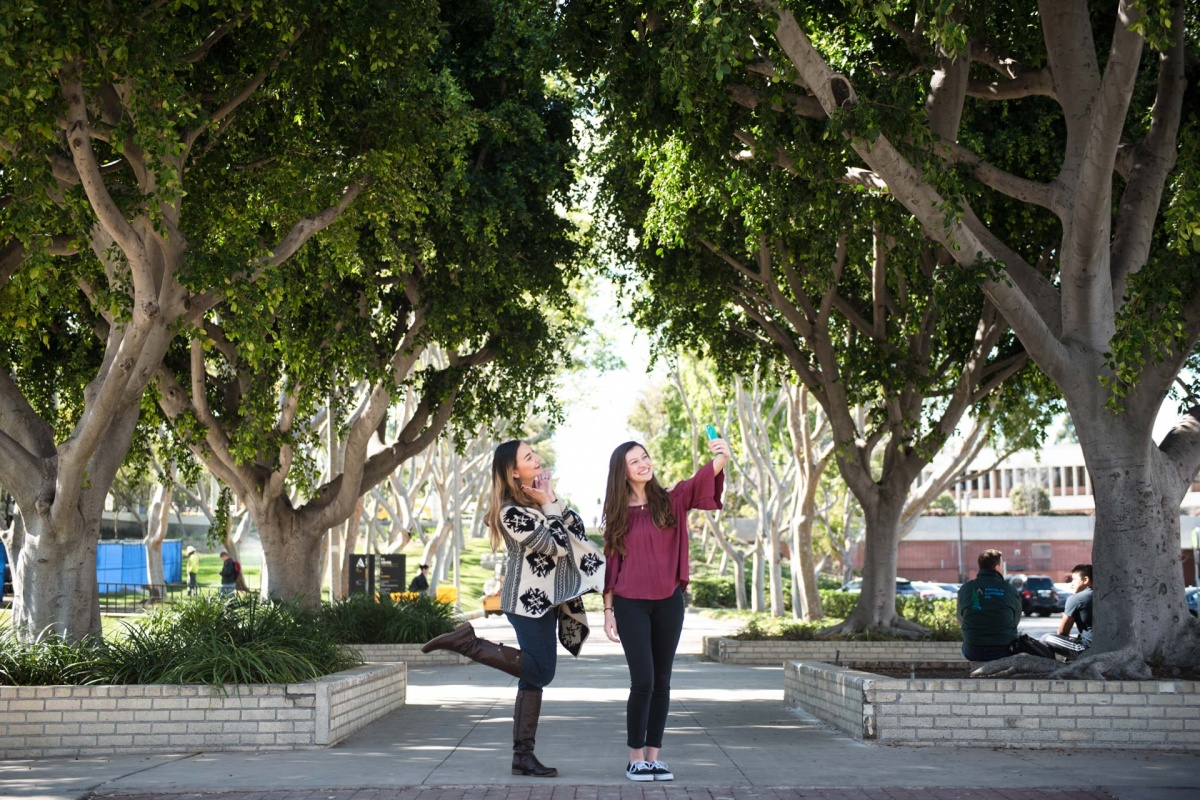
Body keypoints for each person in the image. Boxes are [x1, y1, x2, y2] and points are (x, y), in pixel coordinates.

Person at [420, 440, 605, 778]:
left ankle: (523, 757)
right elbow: (556, 547)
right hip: (524, 603)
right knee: (542, 672)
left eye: (535, 454)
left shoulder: (540, 503)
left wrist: (550, 500)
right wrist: (549, 503)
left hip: (548, 603)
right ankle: (468, 644)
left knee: (534, 679)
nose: (537, 460)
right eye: (528, 457)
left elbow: (577, 530)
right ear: (514, 472)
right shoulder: (510, 513)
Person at [601, 435, 730, 783]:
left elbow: (700, 482)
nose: (644, 463)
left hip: (669, 603)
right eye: (635, 461)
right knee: (642, 680)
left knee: (662, 681)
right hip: (630, 606)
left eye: (645, 457)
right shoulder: (616, 515)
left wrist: (722, 455)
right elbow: (611, 567)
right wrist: (608, 611)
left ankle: (654, 758)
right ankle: (634, 759)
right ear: (622, 472)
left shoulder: (670, 501)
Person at [957, 549, 1024, 661]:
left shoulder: (966, 588)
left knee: (965, 645)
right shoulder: (1010, 589)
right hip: (1003, 650)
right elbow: (1015, 619)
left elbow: (961, 617)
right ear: (996, 567)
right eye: (1001, 565)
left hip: (973, 650)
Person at [1040, 563, 1093, 659]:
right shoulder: (1105, 596)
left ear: (1085, 580)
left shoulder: (1076, 598)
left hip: (1087, 649)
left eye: (1075, 579)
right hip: (1109, 648)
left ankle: (1051, 670)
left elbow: (1063, 632)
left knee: (1046, 638)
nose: (1072, 583)